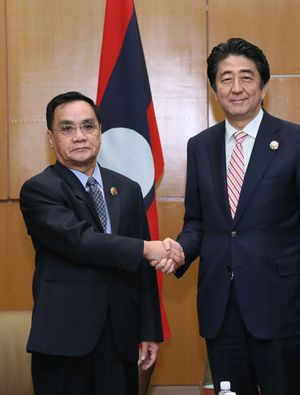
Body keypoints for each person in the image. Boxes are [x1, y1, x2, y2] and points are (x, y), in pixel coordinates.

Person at [175, 38, 300, 395]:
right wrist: (179, 251)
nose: (237, 88)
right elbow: (197, 222)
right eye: (226, 78)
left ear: (264, 85)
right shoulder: (200, 146)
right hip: (222, 308)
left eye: (247, 77)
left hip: (282, 305)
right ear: (214, 89)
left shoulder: (299, 143)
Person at [19, 91, 183, 395]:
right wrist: (147, 248)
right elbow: (79, 241)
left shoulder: (127, 189)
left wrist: (149, 331)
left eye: (88, 126)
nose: (79, 136)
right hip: (64, 340)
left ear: (100, 132)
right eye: (67, 128)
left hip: (119, 339)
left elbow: (144, 272)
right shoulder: (39, 190)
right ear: (51, 138)